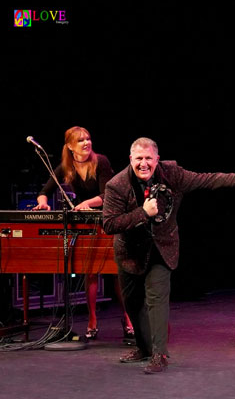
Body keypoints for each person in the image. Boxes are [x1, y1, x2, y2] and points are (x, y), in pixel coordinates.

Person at [103, 137, 235, 374]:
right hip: (130, 254)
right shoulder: (116, 185)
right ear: (131, 160)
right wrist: (143, 213)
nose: (143, 164)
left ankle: (159, 354)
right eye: (139, 159)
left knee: (156, 300)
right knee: (132, 303)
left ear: (157, 159)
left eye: (148, 158)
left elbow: (208, 179)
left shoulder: (172, 174)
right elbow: (109, 224)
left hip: (162, 247)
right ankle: (143, 347)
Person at [33, 126, 134, 342]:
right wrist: (42, 204)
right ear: (70, 146)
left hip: (110, 219)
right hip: (87, 223)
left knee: (116, 272)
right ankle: (92, 320)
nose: (86, 143)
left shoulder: (101, 161)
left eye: (88, 138)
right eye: (80, 140)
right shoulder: (65, 167)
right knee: (90, 272)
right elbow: (44, 192)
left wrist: (86, 202)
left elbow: (107, 194)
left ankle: (128, 318)